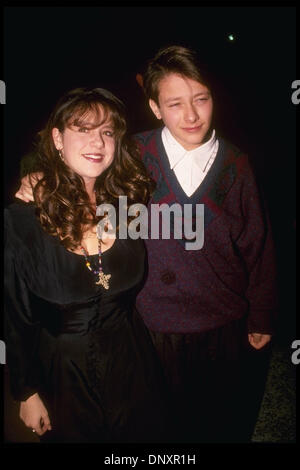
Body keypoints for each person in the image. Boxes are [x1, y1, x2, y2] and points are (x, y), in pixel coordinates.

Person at [14, 46, 278, 443]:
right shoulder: (133, 155)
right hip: (150, 325)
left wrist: (262, 312)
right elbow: (83, 160)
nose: (190, 115)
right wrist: (39, 179)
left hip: (221, 320)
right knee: (162, 426)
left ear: (214, 99)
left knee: (223, 420)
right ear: (155, 108)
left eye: (201, 99)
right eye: (175, 103)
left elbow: (259, 244)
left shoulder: (237, 165)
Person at [5, 87, 169, 443]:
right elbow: (15, 315)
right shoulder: (22, 220)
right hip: (62, 376)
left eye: (107, 132)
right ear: (57, 138)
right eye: (83, 128)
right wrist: (25, 391)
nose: (97, 141)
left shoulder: (126, 206)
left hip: (133, 367)